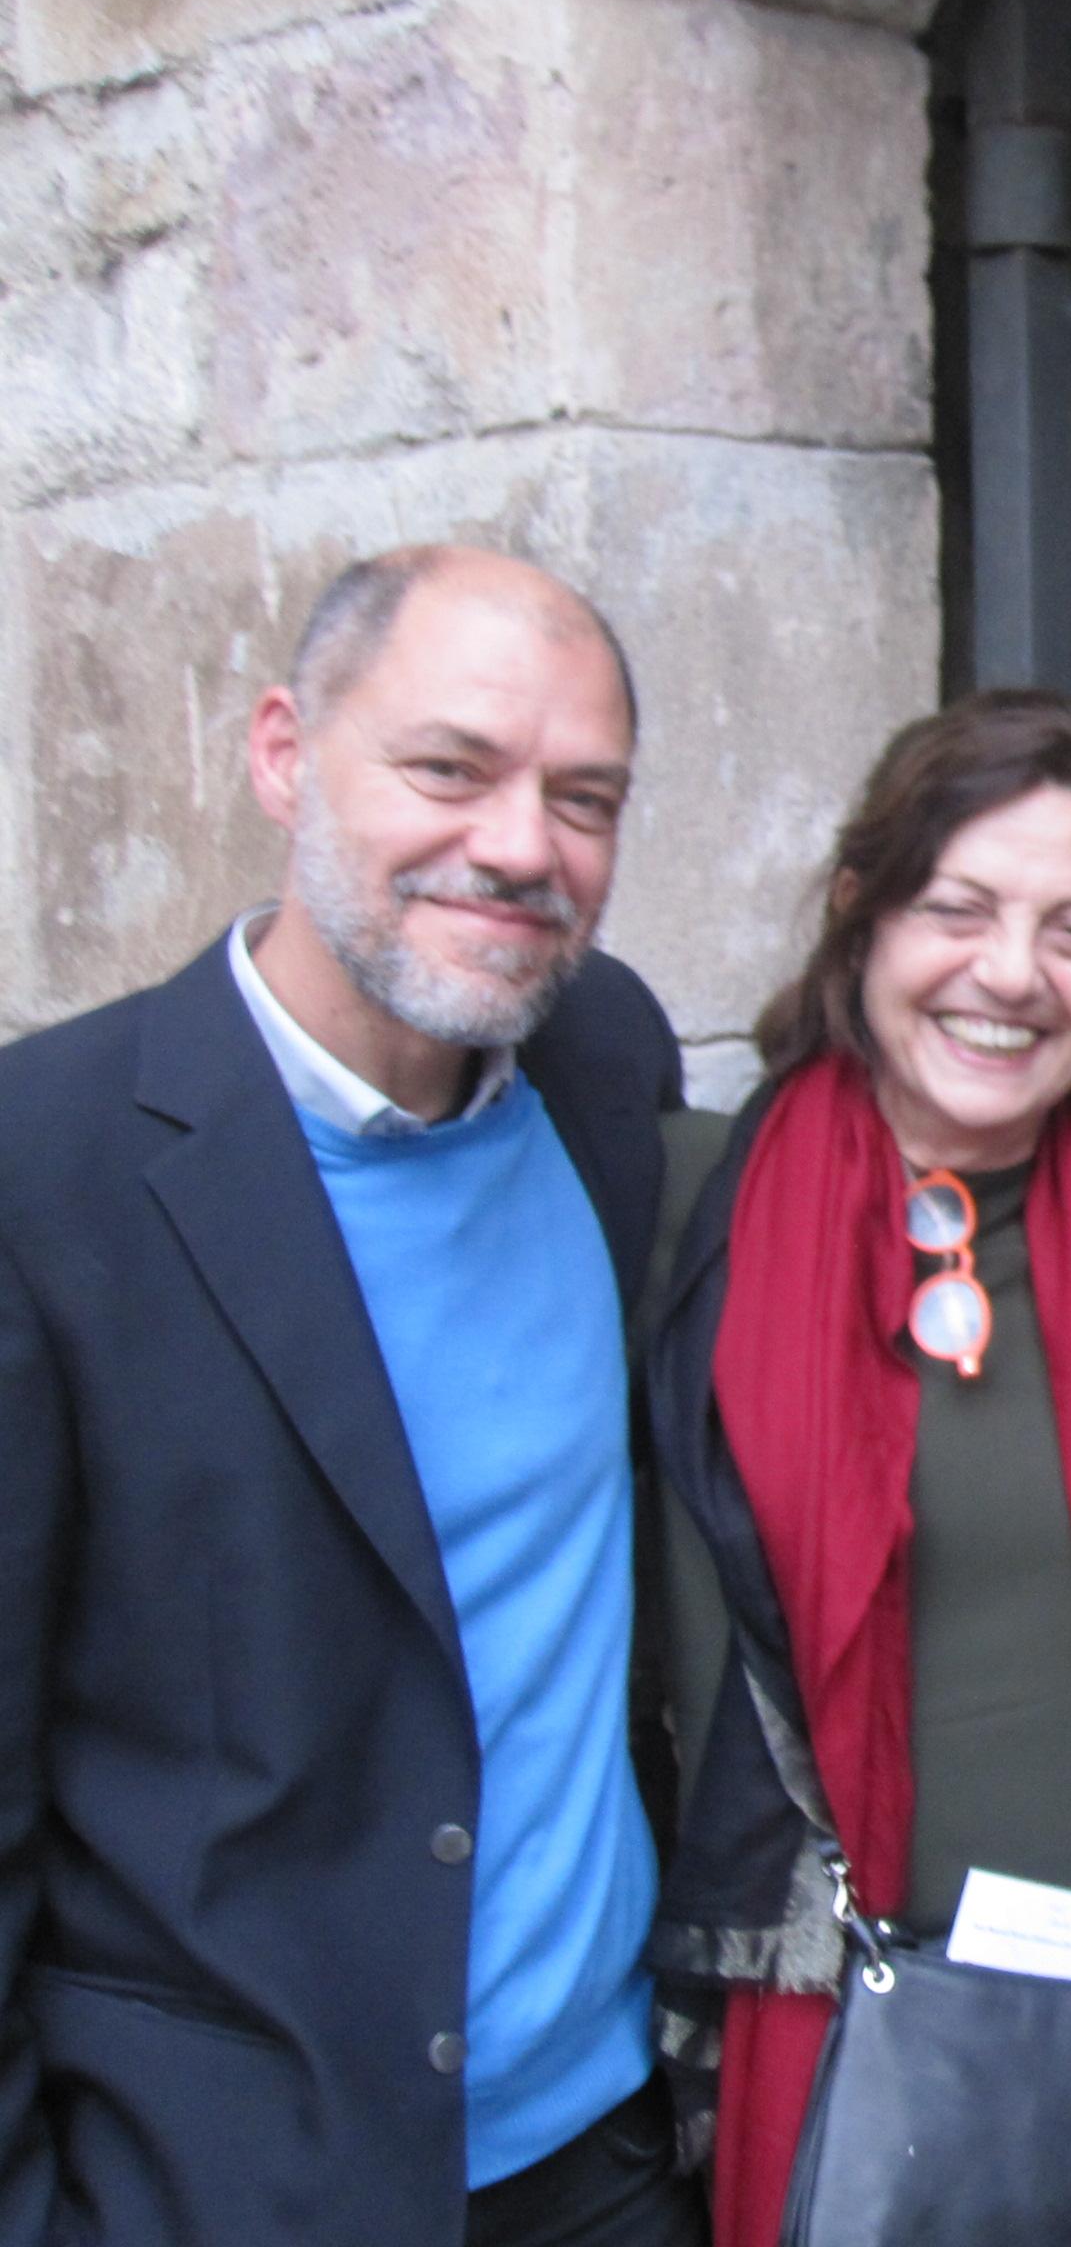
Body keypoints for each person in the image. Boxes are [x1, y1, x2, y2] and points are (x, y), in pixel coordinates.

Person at [0, 546, 699, 2243]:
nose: (523, 846)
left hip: (610, 2159)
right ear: (283, 753)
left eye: (583, 797)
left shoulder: (605, 1067)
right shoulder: (46, 1171)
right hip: (228, 2193)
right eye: (449, 767)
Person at [640, 691, 1071, 2247]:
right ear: (860, 916)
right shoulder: (693, 1214)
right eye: (959, 909)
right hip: (848, 2050)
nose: (1013, 976)